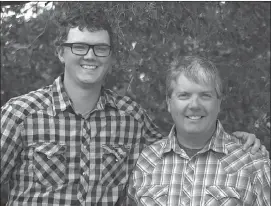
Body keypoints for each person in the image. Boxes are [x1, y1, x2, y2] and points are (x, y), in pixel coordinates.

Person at [0, 10, 266, 206]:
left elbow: (184, 143)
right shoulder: (20, 114)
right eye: (79, 46)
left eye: (100, 48)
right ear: (61, 52)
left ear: (111, 57)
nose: (90, 56)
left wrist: (238, 140)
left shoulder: (131, 119)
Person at [126, 55, 270, 206]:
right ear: (169, 103)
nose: (194, 105)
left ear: (219, 103)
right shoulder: (146, 161)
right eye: (184, 96)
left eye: (205, 95)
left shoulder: (252, 163)